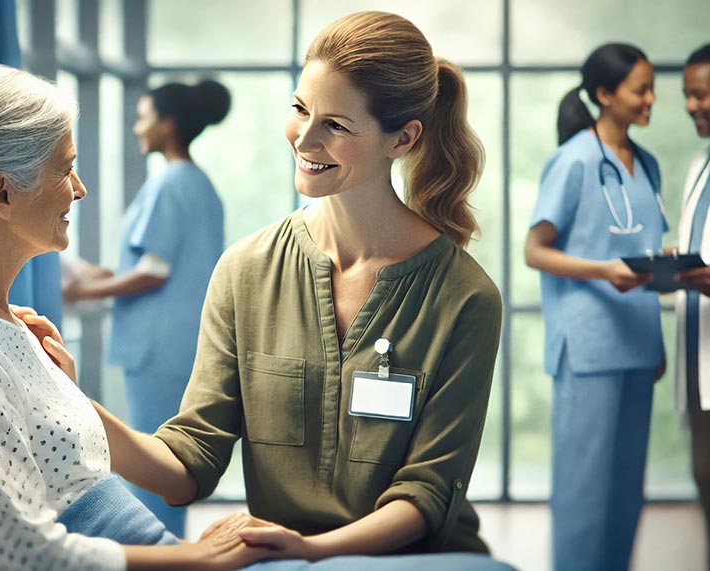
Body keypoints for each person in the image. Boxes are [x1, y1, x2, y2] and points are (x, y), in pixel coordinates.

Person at [86, 11, 507, 565]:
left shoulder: (465, 297)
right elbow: (189, 466)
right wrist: (73, 408)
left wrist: (313, 549)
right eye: (300, 109)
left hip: (412, 559)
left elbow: (425, 495)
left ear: (402, 138)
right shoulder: (246, 270)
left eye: (336, 124)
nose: (304, 138)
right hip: (287, 558)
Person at [0, 61, 269, 571]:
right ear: (2, 193)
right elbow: (20, 553)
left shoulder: (9, 326)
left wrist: (66, 395)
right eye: (64, 167)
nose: (79, 189)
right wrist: (197, 558)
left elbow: (81, 468)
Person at [62, 80, 230, 536]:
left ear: (168, 123)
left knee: (157, 463)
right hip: (179, 341)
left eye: (144, 116)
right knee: (168, 459)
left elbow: (153, 273)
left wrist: (82, 294)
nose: (137, 126)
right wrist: (96, 275)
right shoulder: (197, 185)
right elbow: (149, 264)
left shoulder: (170, 183)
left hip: (158, 347)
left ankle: (161, 555)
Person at [524, 43, 664, 571]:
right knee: (584, 489)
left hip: (638, 342)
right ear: (605, 95)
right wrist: (604, 270)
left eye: (652, 89)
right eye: (640, 90)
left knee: (627, 490)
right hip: (588, 346)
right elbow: (535, 250)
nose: (651, 99)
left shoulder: (646, 164)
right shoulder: (575, 159)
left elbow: (636, 243)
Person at [674, 43, 710, 566]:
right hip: (699, 368)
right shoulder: (699, 166)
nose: (691, 105)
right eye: (688, 95)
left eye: (702, 93)